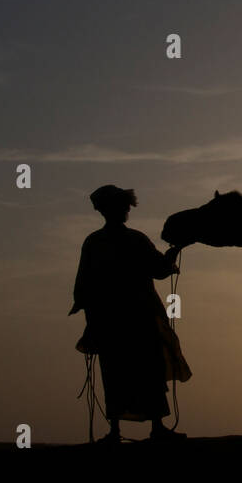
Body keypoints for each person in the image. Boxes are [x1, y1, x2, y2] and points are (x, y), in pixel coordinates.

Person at [69, 185, 191, 443]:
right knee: (144, 370)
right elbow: (159, 268)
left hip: (112, 320)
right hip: (136, 319)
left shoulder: (95, 242)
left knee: (118, 372)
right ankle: (152, 428)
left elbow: (83, 285)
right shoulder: (133, 240)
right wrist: (173, 253)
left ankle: (118, 431)